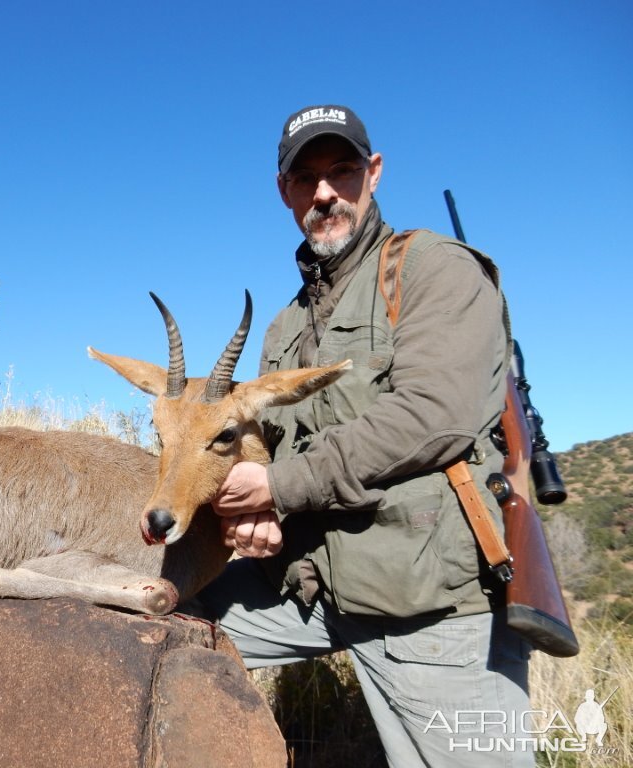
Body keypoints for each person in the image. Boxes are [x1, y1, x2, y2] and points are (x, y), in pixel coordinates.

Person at [197, 105, 532, 767]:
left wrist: (280, 486)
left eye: (342, 170)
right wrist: (259, 520)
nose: (325, 192)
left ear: (372, 174)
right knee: (169, 612)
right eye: (307, 178)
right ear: (285, 192)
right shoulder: (285, 326)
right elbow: (272, 449)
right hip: (315, 591)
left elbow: (433, 415)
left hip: (432, 613)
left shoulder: (432, 268)